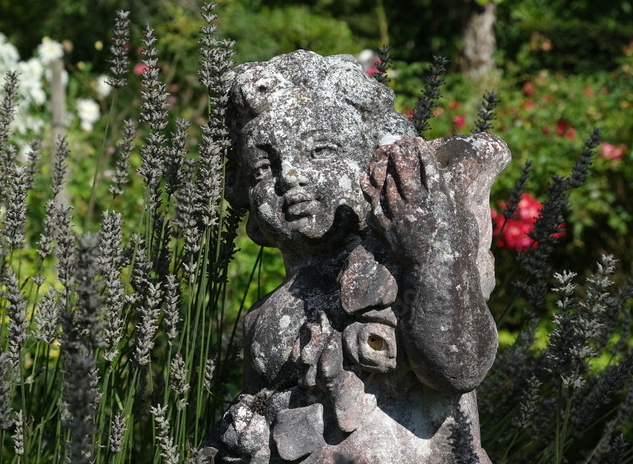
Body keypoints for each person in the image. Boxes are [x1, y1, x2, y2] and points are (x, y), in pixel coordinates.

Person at [201, 51, 510, 463]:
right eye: (262, 168)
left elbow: (459, 367)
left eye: (320, 152)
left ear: (373, 161)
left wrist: (430, 256)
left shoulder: (400, 269)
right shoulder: (266, 317)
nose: (289, 176)